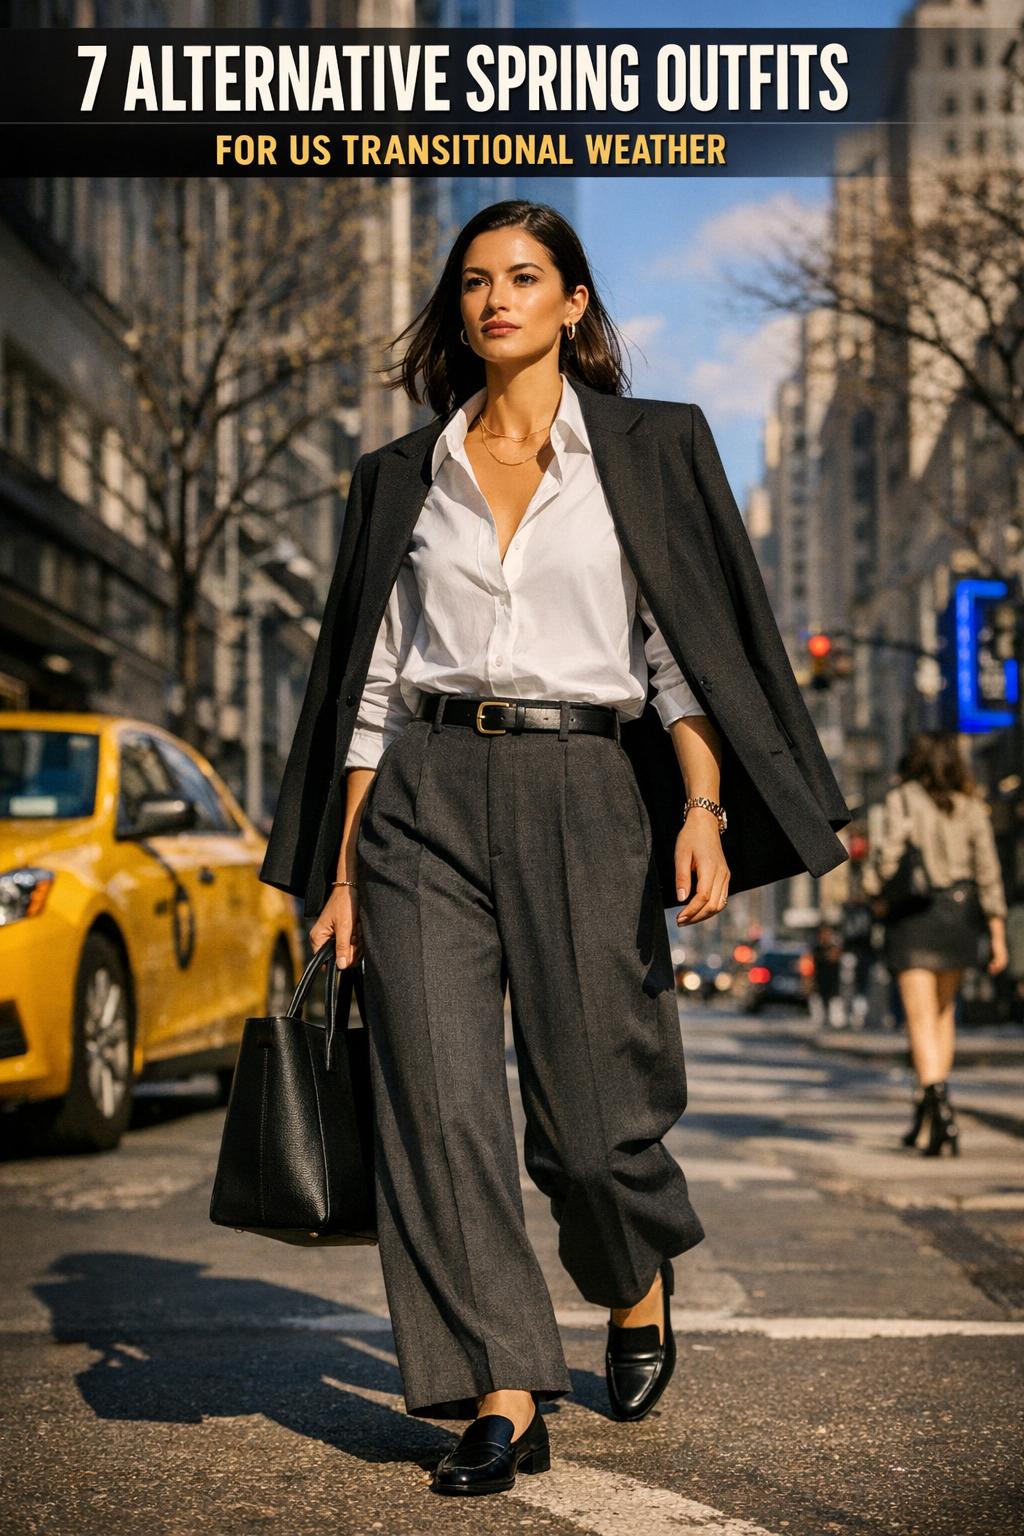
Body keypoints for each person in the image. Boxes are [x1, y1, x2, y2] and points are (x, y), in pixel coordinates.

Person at [259, 199, 850, 1496]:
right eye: (474, 281)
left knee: (593, 1126)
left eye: (525, 277)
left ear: (574, 303)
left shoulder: (650, 449)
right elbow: (366, 687)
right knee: (440, 1110)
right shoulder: (400, 478)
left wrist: (700, 808)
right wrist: (344, 871)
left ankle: (632, 1278)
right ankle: (502, 1390)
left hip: (590, 787)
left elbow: (682, 657)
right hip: (422, 796)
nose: (496, 299)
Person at [863, 731, 1009, 1157]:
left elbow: (886, 859)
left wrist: (873, 886)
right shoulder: (970, 806)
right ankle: (932, 1114)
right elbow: (989, 872)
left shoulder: (902, 799)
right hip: (960, 918)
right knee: (944, 1017)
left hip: (915, 918)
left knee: (920, 1019)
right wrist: (997, 935)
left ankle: (938, 1107)